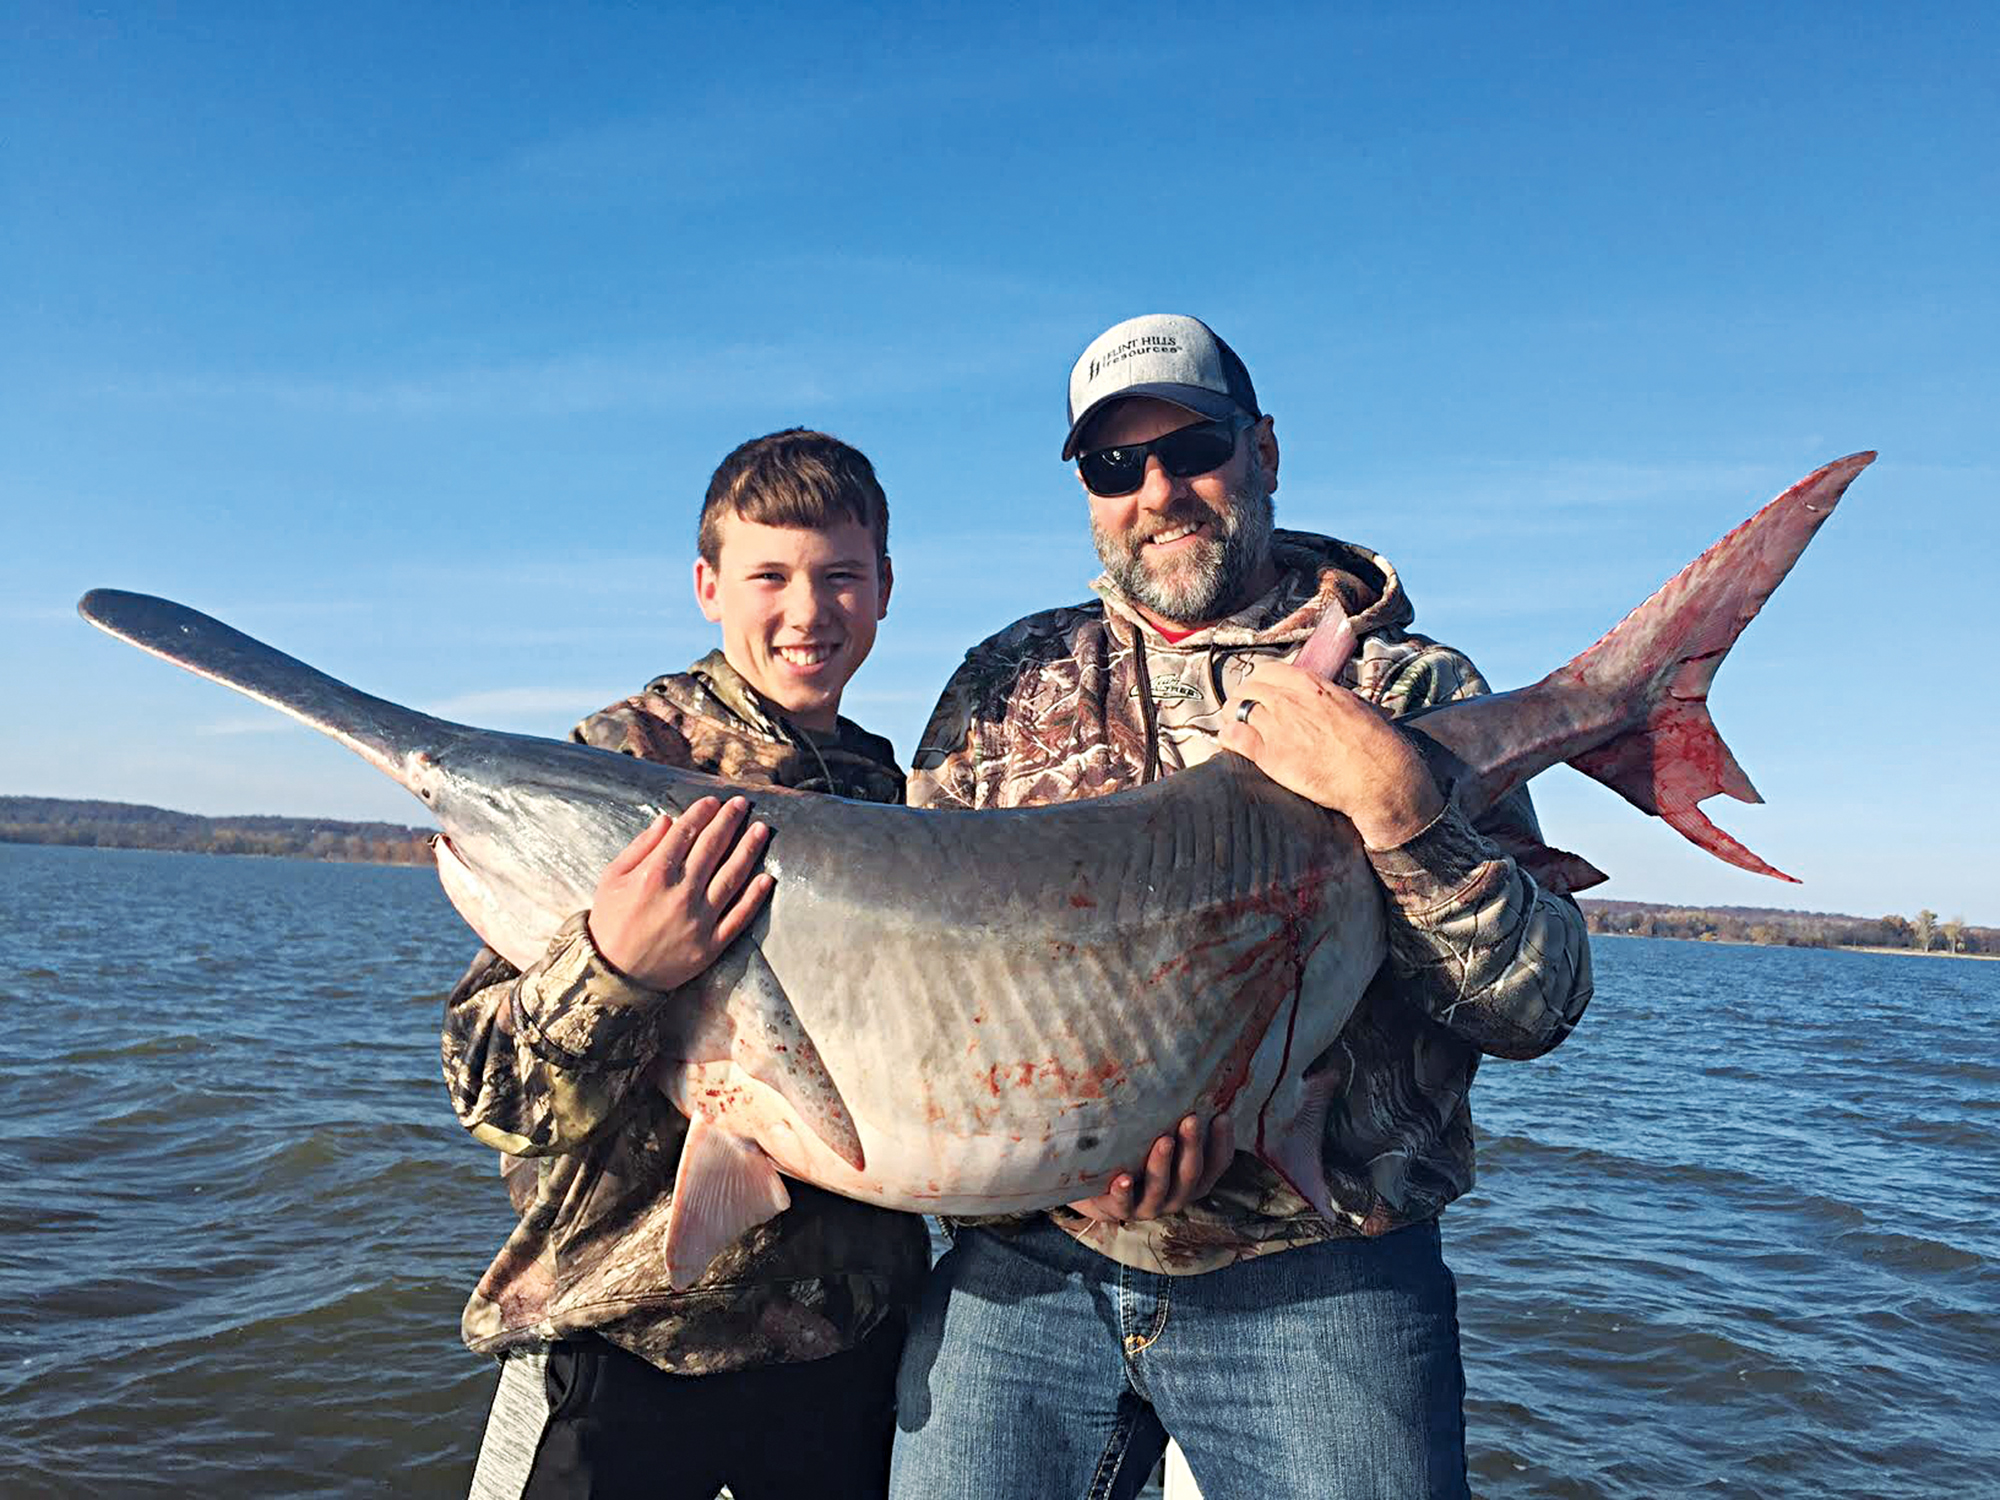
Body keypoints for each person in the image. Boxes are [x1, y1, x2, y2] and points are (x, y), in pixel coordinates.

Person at [889, 315, 1595, 1499]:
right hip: (1027, 1265)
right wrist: (1065, 1152)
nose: (1157, 491)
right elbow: (926, 979)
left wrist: (1400, 812)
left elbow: (1537, 1008)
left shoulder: (1405, 684)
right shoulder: (1001, 686)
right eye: (1114, 465)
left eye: (1193, 447)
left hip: (1322, 1277)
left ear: (1262, 450)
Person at [443, 429, 930, 1500]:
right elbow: (490, 1089)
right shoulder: (617, 764)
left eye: (840, 576)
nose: (807, 611)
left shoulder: (895, 795)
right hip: (627, 1347)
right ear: (708, 587)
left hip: (846, 1345)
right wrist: (616, 964)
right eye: (769, 576)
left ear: (885, 589)